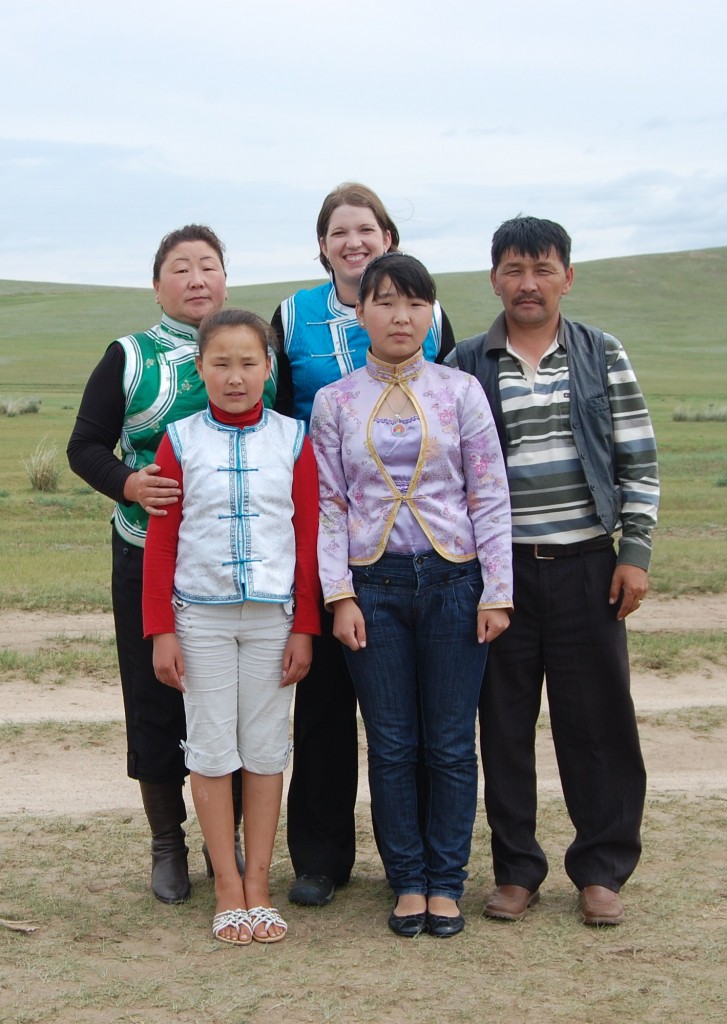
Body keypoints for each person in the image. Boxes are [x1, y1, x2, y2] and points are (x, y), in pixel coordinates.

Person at [450, 216, 659, 926]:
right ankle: (517, 870)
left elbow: (638, 456)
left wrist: (635, 552)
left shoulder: (602, 353)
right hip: (500, 576)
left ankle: (601, 870)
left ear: (567, 276)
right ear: (494, 279)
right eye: (513, 269)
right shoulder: (466, 362)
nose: (528, 283)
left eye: (542, 269)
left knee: (596, 722)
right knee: (502, 723)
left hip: (589, 569)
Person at [67, 226, 275, 903]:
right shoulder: (130, 357)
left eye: (208, 267)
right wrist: (128, 483)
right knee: (156, 699)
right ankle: (168, 844)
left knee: (241, 707)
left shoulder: (250, 349)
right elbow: (85, 445)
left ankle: (234, 846)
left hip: (239, 568)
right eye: (179, 269)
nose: (195, 279)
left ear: (225, 280)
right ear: (157, 286)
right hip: (145, 552)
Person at [310, 253, 513, 937]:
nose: (402, 317)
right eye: (386, 302)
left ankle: (447, 881)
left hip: (456, 582)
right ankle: (407, 881)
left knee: (453, 744)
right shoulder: (333, 401)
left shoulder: (460, 392)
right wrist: (338, 595)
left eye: (415, 303)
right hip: (375, 588)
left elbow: (489, 492)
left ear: (431, 314)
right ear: (360, 311)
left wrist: (497, 592)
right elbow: (331, 505)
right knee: (392, 743)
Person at [272, 182, 456, 908]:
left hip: (412, 539)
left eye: (367, 229)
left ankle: (410, 866)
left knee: (407, 711)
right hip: (320, 524)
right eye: (340, 231)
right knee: (322, 703)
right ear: (322, 246)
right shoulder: (292, 315)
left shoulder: (424, 306)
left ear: (389, 237)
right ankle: (320, 859)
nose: (354, 241)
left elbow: (449, 396)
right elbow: (281, 407)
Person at [142, 308, 320, 944]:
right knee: (213, 750)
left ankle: (260, 885)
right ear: (201, 369)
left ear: (269, 369)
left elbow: (307, 535)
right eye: (221, 363)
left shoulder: (294, 439)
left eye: (249, 363)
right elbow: (161, 541)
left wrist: (305, 624)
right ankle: (225, 884)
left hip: (274, 618)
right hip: (201, 618)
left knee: (267, 747)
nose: (236, 376)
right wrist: (161, 628)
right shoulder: (180, 439)